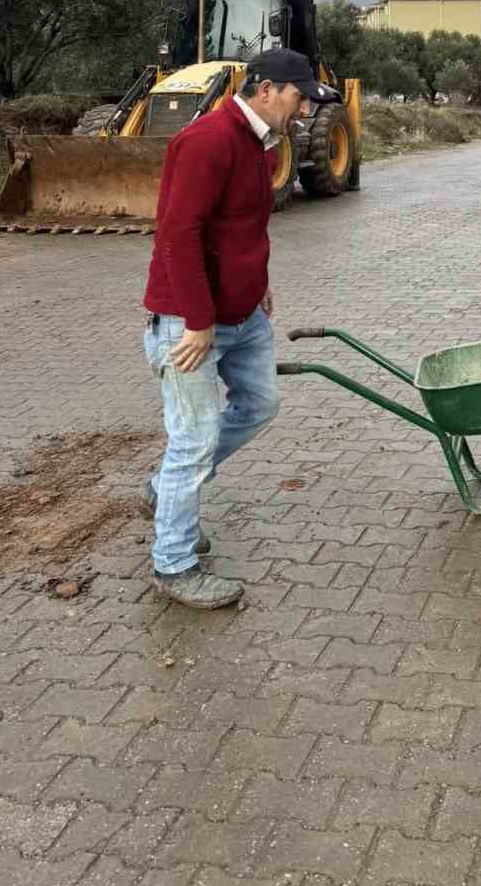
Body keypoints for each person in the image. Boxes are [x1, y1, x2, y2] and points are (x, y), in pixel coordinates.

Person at [141, 47, 339, 608]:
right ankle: (173, 565)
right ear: (268, 89)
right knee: (194, 441)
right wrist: (198, 323)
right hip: (190, 323)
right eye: (300, 99)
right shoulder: (207, 141)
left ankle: (162, 494)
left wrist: (258, 282)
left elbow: (242, 228)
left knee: (258, 405)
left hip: (243, 314)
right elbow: (178, 235)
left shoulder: (258, 143)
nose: (303, 111)